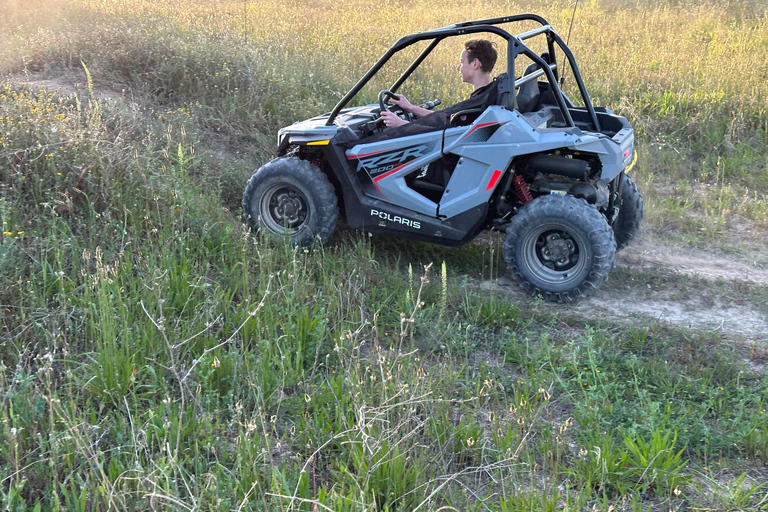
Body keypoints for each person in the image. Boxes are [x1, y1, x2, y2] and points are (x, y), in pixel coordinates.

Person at [380, 38, 498, 128]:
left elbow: (444, 134)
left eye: (461, 62)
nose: (458, 67)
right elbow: (445, 119)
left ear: (475, 64)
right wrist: (410, 107)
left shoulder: (478, 104)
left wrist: (401, 124)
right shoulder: (487, 96)